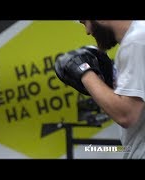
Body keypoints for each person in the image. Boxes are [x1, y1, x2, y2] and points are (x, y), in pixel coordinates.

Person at [58, 21, 145, 158]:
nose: (87, 31)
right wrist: (109, 85)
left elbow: (126, 115)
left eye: (85, 21)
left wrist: (85, 71)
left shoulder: (136, 41)